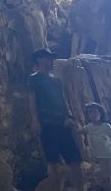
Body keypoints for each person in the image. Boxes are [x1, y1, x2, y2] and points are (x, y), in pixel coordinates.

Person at [27, 48, 84, 190]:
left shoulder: (57, 81)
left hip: (63, 123)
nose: (52, 61)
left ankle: (80, 188)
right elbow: (32, 100)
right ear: (39, 59)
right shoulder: (34, 79)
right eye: (49, 58)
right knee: (52, 161)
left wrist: (70, 116)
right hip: (47, 124)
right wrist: (34, 119)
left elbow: (63, 100)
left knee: (75, 160)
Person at [81, 103, 111, 191]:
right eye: (90, 112)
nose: (93, 115)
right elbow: (79, 131)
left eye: (95, 112)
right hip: (100, 157)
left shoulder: (106, 126)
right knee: (107, 178)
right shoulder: (88, 127)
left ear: (100, 113)